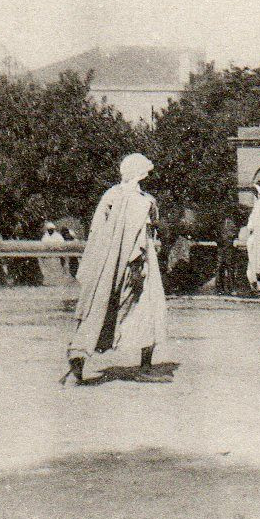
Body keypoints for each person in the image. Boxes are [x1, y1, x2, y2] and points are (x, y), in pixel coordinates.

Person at [63, 153, 168, 386]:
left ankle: (78, 354)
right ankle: (146, 365)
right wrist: (137, 262)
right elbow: (147, 233)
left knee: (99, 304)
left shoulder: (110, 195)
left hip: (106, 260)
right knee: (147, 305)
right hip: (138, 261)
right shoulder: (145, 201)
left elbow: (96, 229)